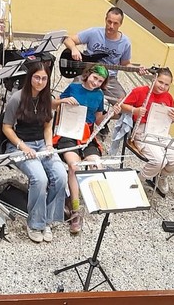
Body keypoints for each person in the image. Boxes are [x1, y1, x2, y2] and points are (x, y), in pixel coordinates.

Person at [2, 62, 68, 243]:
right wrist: (23, 147)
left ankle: (46, 220)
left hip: (41, 144)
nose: (40, 82)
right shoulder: (17, 98)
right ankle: (35, 223)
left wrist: (49, 145)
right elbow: (6, 127)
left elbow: (47, 126)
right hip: (19, 145)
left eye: (44, 78)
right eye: (37, 77)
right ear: (30, 77)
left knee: (61, 176)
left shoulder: (47, 98)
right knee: (40, 178)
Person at [51, 64, 116, 234]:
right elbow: (53, 104)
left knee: (97, 165)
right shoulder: (73, 87)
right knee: (74, 167)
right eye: (95, 78)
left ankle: (94, 200)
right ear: (88, 75)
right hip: (68, 133)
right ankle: (75, 209)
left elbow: (98, 120)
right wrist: (62, 101)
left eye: (100, 81)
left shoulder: (99, 95)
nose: (96, 83)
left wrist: (110, 113)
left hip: (87, 135)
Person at [122, 67, 174, 196]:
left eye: (166, 84)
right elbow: (122, 105)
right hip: (143, 130)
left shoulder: (168, 97)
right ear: (154, 79)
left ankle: (161, 176)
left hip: (161, 132)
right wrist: (135, 110)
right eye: (160, 82)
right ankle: (139, 180)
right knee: (159, 161)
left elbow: (173, 118)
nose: (162, 86)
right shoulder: (140, 91)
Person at [63, 7, 135, 103]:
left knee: (123, 102)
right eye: (109, 22)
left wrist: (137, 69)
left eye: (115, 23)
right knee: (73, 96)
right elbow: (68, 39)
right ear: (105, 19)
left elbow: (125, 63)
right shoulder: (94, 32)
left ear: (120, 24)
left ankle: (100, 111)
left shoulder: (125, 42)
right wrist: (73, 49)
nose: (111, 26)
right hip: (87, 72)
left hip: (109, 78)